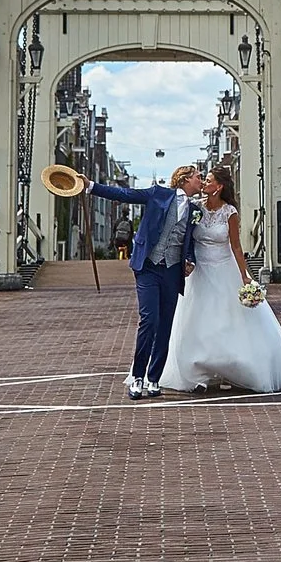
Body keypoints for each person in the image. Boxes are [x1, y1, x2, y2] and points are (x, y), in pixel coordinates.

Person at [159, 164, 281, 394]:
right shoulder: (195, 208)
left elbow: (235, 245)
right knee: (198, 321)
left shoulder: (229, 212)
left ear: (219, 187)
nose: (204, 183)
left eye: (209, 180)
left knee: (227, 320)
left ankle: (232, 369)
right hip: (200, 271)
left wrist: (244, 276)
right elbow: (185, 239)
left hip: (224, 269)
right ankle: (201, 371)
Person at [84, 164, 203, 399]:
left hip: (172, 270)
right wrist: (90, 186)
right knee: (149, 320)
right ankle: (137, 376)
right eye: (198, 177)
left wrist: (190, 259)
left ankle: (154, 379)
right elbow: (125, 194)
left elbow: (189, 240)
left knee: (165, 325)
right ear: (184, 179)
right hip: (148, 267)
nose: (201, 181)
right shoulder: (158, 194)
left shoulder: (194, 209)